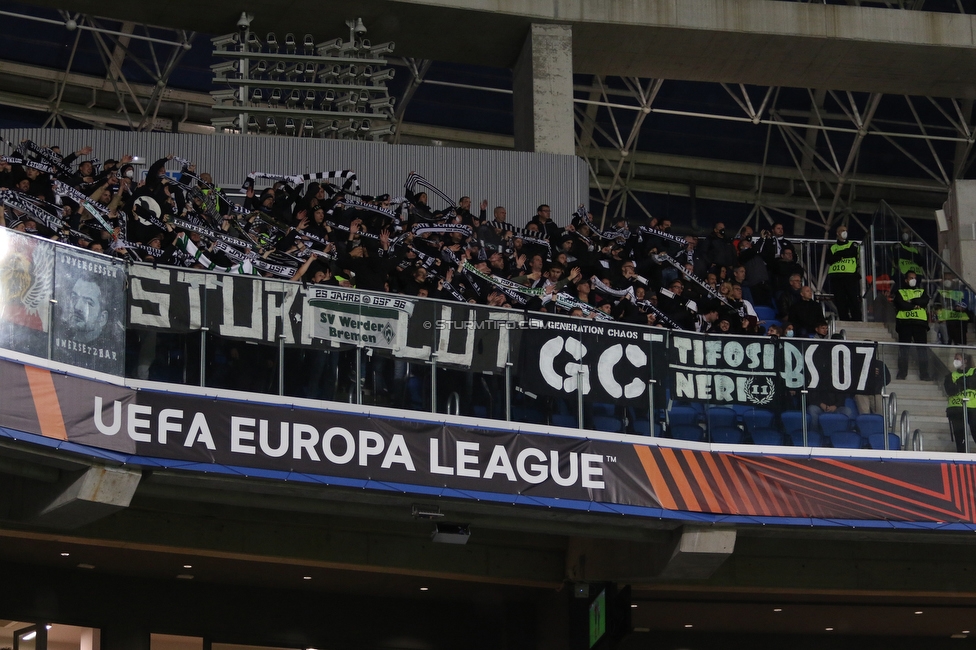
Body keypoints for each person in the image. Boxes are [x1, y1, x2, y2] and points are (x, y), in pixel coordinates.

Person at [893, 271, 930, 381]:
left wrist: (911, 301)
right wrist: (915, 305)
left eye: (914, 278)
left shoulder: (922, 291)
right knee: (904, 350)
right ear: (906, 280)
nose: (913, 280)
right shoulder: (900, 292)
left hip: (920, 324)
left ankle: (924, 374)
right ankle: (902, 373)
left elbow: (924, 301)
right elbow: (900, 303)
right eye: (910, 278)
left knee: (922, 350)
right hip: (905, 323)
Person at [826, 224, 862, 321]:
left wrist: (838, 256)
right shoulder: (833, 247)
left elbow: (851, 252)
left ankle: (857, 319)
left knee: (852, 299)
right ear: (837, 233)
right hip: (836, 276)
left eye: (845, 230)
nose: (844, 232)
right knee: (840, 300)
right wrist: (843, 255)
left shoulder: (853, 244)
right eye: (842, 230)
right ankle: (844, 319)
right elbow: (829, 259)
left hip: (850, 275)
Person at [945, 353, 976, 453]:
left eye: (957, 359)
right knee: (959, 437)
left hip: (973, 408)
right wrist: (965, 383)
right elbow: (950, 390)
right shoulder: (951, 375)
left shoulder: (974, 371)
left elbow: (972, 382)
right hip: (956, 408)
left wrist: (959, 383)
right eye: (955, 359)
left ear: (965, 361)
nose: (955, 361)